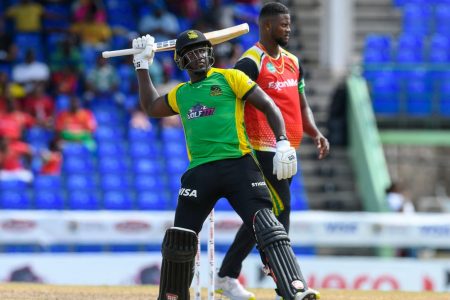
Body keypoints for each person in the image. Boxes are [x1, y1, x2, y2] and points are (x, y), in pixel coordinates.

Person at [132, 28, 318, 300]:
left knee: (267, 224)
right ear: (181, 61)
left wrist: (282, 143)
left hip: (239, 166)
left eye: (203, 50)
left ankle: (293, 288)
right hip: (200, 172)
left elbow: (269, 107)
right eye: (191, 53)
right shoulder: (181, 93)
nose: (199, 56)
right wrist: (142, 65)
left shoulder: (231, 78)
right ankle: (173, 296)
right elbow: (151, 107)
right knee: (180, 238)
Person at [216, 3, 329, 299]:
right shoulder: (251, 62)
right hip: (261, 149)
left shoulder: (293, 61)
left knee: (262, 216)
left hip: (288, 150)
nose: (288, 29)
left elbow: (301, 103)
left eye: (289, 24)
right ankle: (287, 282)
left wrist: (314, 131)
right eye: (283, 24)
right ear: (266, 26)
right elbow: (234, 102)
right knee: (281, 210)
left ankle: (226, 275)